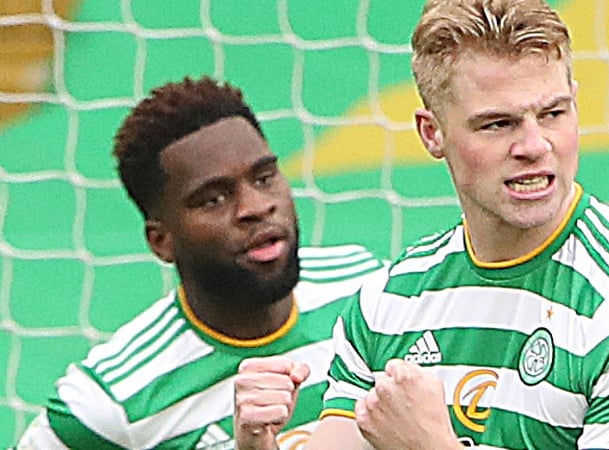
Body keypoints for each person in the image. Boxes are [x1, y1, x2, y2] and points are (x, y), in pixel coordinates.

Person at [233, 0, 609, 449]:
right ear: (432, 133)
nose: (534, 145)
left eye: (553, 113)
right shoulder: (389, 301)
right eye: (498, 124)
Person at [15, 76, 386, 449]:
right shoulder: (111, 400)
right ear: (161, 241)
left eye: (264, 178)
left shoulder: (370, 292)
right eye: (213, 199)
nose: (256, 207)